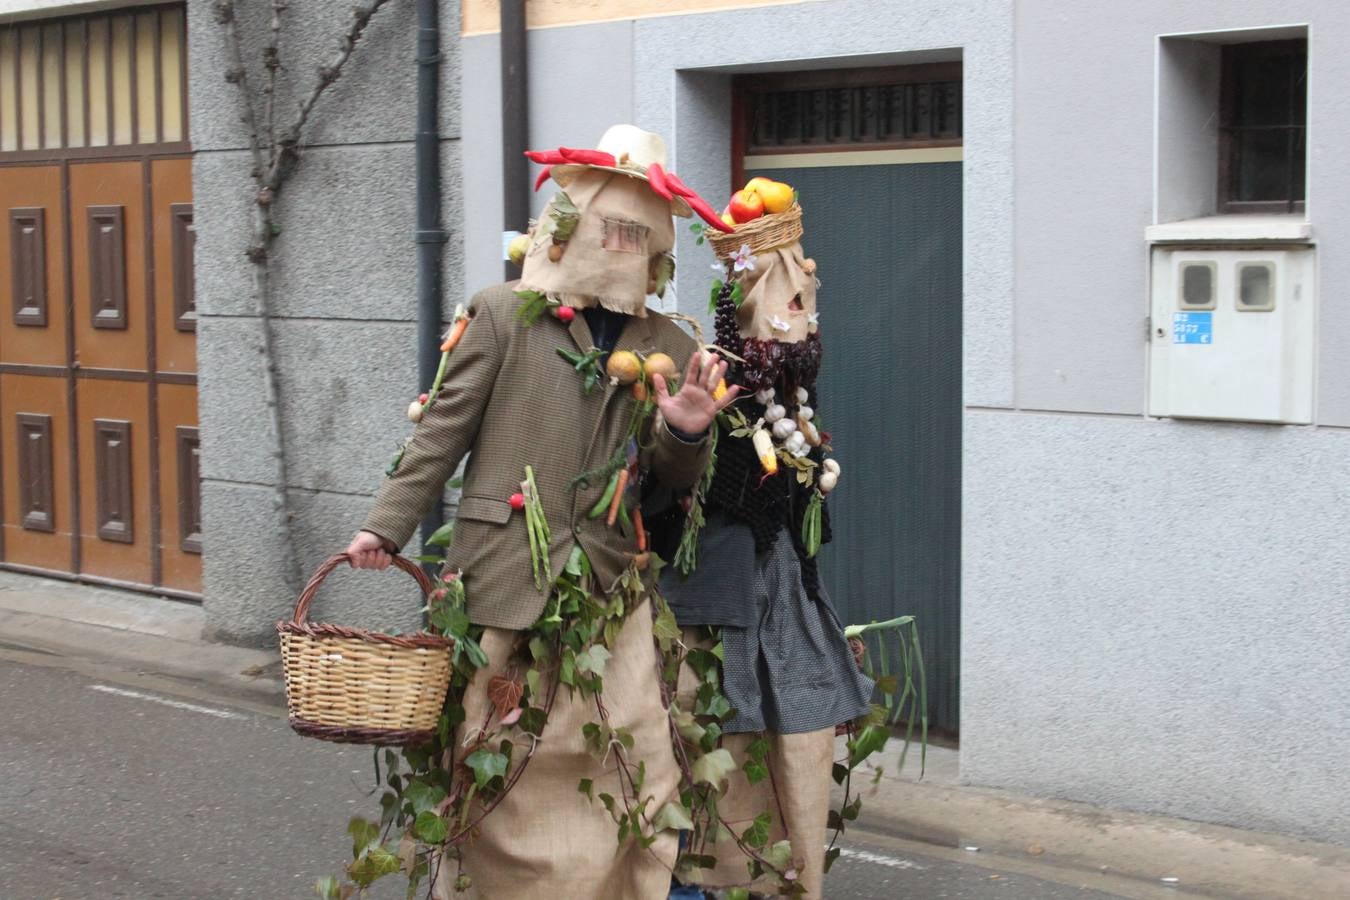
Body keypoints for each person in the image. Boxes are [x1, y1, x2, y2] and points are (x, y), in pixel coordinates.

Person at [346, 124, 738, 899]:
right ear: (568, 226)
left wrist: (687, 430)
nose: (620, 243)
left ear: (657, 248)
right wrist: (383, 524)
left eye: (637, 233)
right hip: (501, 580)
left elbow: (664, 476)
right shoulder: (501, 315)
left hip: (609, 587)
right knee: (497, 775)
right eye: (608, 227)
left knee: (634, 756)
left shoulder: (666, 339)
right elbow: (441, 432)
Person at [655, 190, 873, 900]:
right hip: (713, 625)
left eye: (805, 299)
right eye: (785, 299)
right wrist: (690, 434)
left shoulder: (791, 407)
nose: (799, 318)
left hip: (784, 616)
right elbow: (665, 504)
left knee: (786, 783)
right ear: (745, 299)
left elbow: (794, 540)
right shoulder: (710, 386)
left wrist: (827, 626)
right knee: (704, 782)